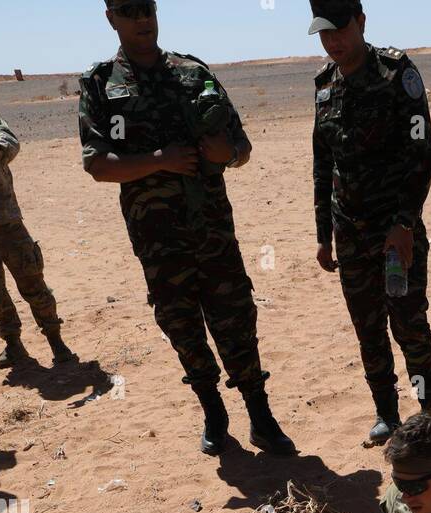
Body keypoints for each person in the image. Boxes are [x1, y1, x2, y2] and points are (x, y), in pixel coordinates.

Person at [78, 0, 296, 458]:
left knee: (236, 318)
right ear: (110, 18)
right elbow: (97, 165)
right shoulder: (100, 84)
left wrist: (227, 155)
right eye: (128, 9)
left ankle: (260, 414)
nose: (142, 18)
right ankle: (214, 412)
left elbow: (242, 145)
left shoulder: (193, 71)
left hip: (212, 230)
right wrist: (160, 161)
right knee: (182, 325)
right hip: (158, 240)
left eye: (147, 8)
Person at [311, 0, 431, 446]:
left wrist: (405, 222)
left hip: (394, 236)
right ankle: (387, 414)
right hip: (349, 236)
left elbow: (421, 154)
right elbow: (322, 165)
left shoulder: (395, 74)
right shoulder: (324, 87)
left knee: (408, 325)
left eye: (340, 30)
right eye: (325, 33)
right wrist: (323, 234)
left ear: (361, 22)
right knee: (368, 328)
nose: (333, 41)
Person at [0, 108, 75, 369]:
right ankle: (13, 343)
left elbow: (9, 140)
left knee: (32, 283)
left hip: (5, 222)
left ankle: (55, 339)